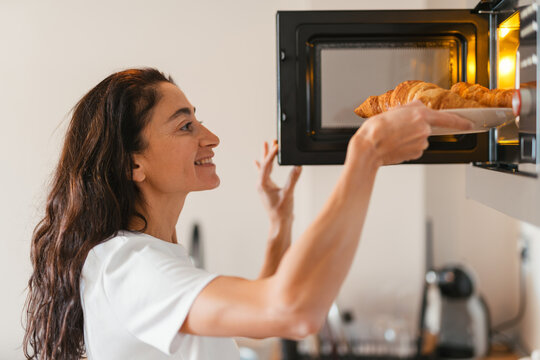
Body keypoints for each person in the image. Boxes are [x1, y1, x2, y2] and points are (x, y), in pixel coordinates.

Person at [23, 68, 472, 360]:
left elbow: (257, 327)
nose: (210, 137)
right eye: (185, 126)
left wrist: (281, 228)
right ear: (132, 162)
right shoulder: (130, 267)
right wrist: (366, 154)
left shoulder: (148, 258)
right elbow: (293, 312)